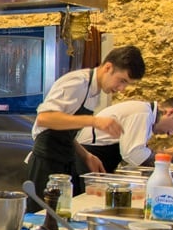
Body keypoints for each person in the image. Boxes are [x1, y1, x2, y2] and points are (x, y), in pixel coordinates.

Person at [26, 45, 146, 210]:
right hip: (46, 162)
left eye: (127, 84)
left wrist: (86, 155)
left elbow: (64, 131)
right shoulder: (77, 82)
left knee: (63, 215)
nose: (121, 89)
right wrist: (94, 121)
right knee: (41, 219)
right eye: (122, 81)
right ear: (108, 67)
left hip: (65, 160)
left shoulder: (94, 91)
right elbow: (45, 119)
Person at [76, 97, 173, 173]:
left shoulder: (146, 116)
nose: (171, 134)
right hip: (85, 163)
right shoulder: (142, 112)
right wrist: (167, 155)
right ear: (171, 112)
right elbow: (134, 154)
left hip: (98, 164)